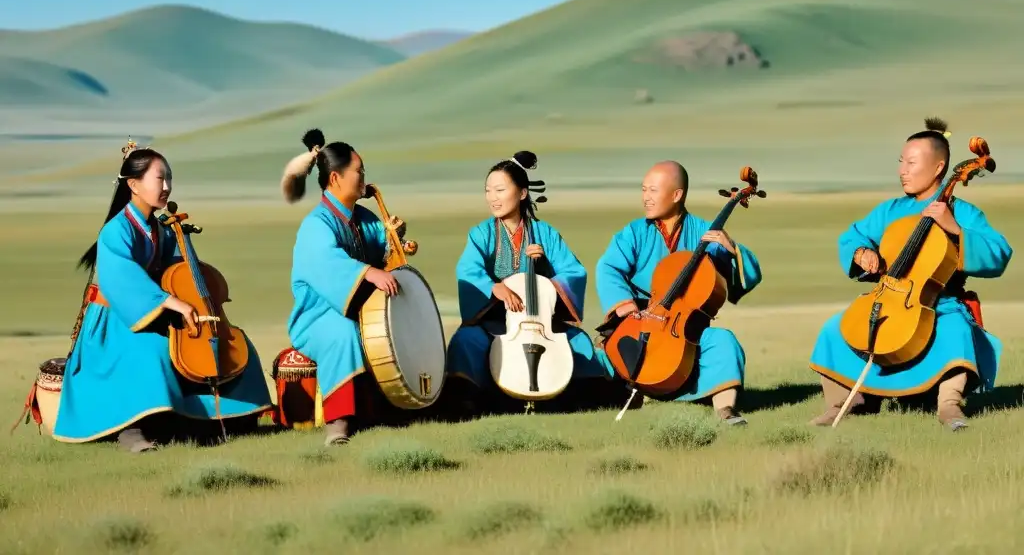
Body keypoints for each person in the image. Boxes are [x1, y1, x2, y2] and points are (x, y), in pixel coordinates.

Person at [53, 142, 273, 452]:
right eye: (160, 178)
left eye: (169, 178)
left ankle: (229, 418)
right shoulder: (115, 231)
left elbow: (177, 274)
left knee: (231, 344)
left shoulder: (164, 230)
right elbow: (122, 280)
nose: (167, 186)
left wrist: (188, 286)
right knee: (153, 350)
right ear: (133, 185)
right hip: (116, 321)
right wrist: (169, 302)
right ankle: (133, 430)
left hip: (154, 312)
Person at [809, 118, 1013, 430]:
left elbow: (999, 252)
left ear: (938, 168)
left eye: (912, 163)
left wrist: (955, 229)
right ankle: (847, 403)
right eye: (901, 162)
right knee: (836, 328)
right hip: (889, 298)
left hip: (939, 304)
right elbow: (853, 236)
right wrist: (862, 253)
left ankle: (948, 406)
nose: (902, 170)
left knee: (957, 330)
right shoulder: (889, 211)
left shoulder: (963, 212)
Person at [593, 160, 762, 425]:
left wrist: (732, 250)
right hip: (641, 319)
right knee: (605, 353)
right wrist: (624, 304)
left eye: (653, 191)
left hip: (686, 331)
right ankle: (631, 391)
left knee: (723, 342)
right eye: (643, 190)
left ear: (677, 195)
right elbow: (608, 267)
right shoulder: (635, 232)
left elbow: (749, 274)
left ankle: (725, 410)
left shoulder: (706, 233)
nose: (645, 198)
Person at [445, 151, 610, 416]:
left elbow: (574, 271)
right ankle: (470, 406)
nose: (492, 198)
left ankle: (576, 404)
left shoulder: (545, 234)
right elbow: (468, 269)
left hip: (539, 321)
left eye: (500, 189)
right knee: (466, 341)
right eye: (488, 190)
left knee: (578, 341)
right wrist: (493, 287)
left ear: (522, 193)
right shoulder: (482, 233)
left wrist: (544, 269)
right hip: (495, 320)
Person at [281, 128, 406, 446]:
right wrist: (368, 272)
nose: (364, 178)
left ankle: (394, 406)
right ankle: (338, 423)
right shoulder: (316, 224)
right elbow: (328, 263)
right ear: (335, 178)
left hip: (359, 308)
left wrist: (395, 241)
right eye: (359, 171)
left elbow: (385, 256)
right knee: (344, 333)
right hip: (318, 317)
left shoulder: (363, 217)